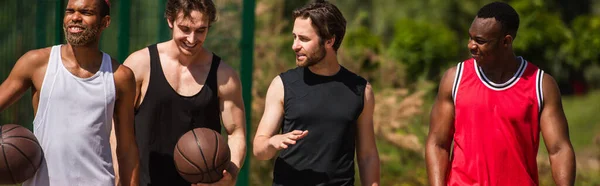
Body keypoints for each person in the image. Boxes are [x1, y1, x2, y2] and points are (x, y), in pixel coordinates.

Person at [425, 2, 576, 186]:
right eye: (470, 38)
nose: (471, 45)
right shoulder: (454, 79)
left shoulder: (541, 85)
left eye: (480, 41)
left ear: (506, 41)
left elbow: (559, 149)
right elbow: (437, 144)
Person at [0, 0, 139, 185]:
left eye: (86, 12)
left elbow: (127, 148)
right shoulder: (36, 63)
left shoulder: (120, 77)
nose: (75, 18)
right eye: (70, 11)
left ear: (105, 22)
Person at [252, 0, 380, 185]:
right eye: (294, 37)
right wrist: (273, 142)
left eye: (303, 39)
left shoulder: (361, 90)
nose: (294, 45)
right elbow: (259, 149)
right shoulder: (282, 84)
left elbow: (368, 155)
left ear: (329, 40)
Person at [122, 0, 246, 185]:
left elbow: (236, 132)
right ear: (170, 21)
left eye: (201, 30)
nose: (192, 39)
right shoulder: (140, 65)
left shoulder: (224, 76)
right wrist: (120, 175)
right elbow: (117, 127)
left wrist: (231, 174)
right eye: (185, 29)